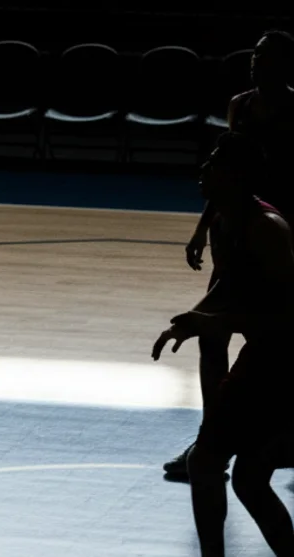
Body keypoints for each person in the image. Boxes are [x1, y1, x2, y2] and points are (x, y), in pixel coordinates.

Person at [153, 132, 294, 557]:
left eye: (213, 162)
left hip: (284, 361)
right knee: (233, 474)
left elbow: (287, 319)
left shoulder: (267, 230)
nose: (203, 168)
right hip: (265, 357)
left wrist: (213, 322)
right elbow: (228, 286)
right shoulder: (223, 221)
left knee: (223, 469)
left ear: (235, 176)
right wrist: (192, 319)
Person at [166, 31, 294, 477]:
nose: (256, 62)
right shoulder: (240, 105)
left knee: (276, 334)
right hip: (238, 226)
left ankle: (276, 434)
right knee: (211, 333)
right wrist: (203, 226)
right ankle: (210, 434)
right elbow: (225, 169)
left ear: (285, 65)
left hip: (277, 227)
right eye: (255, 54)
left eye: (267, 56)